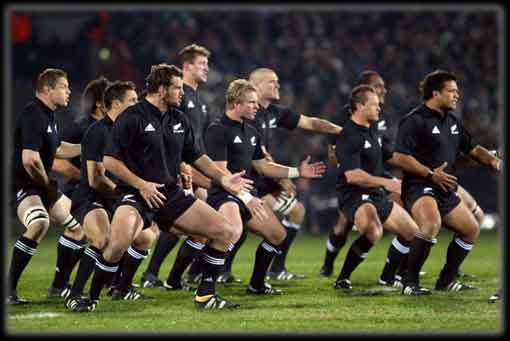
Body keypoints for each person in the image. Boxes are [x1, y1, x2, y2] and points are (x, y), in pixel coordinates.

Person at [81, 64, 257, 311]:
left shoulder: (179, 118)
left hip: (170, 194)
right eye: (177, 88)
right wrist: (141, 186)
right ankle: (91, 298)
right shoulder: (132, 116)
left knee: (225, 232)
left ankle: (206, 296)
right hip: (135, 194)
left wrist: (223, 178)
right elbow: (110, 160)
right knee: (118, 244)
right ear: (162, 90)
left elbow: (197, 157)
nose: (181, 93)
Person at [212, 67, 341, 283]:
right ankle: (210, 275)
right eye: (273, 82)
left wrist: (341, 130)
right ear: (257, 86)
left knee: (292, 215)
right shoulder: (241, 118)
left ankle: (268, 271)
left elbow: (310, 123)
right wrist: (282, 178)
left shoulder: (272, 113)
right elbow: (260, 158)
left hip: (259, 182)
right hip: (244, 184)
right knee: (236, 230)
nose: (278, 85)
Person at [393, 70, 502, 294]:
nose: (456, 95)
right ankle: (409, 283)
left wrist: (495, 163)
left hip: (445, 189)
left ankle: (446, 280)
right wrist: (430, 174)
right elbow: (400, 157)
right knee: (431, 224)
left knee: (471, 228)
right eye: (451, 91)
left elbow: (473, 149)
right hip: (420, 186)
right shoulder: (414, 120)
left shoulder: (452, 121)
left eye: (457, 92)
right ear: (435, 93)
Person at [331, 85, 423, 292]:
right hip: (353, 194)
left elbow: (389, 157)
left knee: (413, 234)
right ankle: (343, 278)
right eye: (374, 105)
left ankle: (388, 277)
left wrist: (421, 169)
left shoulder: (372, 131)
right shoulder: (349, 135)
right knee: (373, 231)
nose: (379, 108)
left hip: (375, 193)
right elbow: (352, 176)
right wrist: (387, 183)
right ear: (360, 106)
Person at [141, 44, 213, 288]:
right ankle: (156, 273)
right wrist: (183, 166)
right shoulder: (178, 99)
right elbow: (170, 135)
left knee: (190, 221)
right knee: (186, 217)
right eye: (201, 64)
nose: (206, 69)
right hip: (177, 170)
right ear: (187, 67)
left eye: (206, 64)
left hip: (194, 166)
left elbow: (196, 140)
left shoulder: (199, 101)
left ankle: (178, 274)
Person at [8, 68, 81, 304]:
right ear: (48, 90)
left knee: (82, 225)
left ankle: (59, 287)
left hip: (42, 187)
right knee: (40, 223)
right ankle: (8, 291)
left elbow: (58, 149)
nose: (68, 91)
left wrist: (88, 145)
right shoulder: (33, 114)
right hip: (24, 186)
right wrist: (46, 185)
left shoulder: (48, 115)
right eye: (63, 86)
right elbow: (29, 160)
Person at [64, 81, 138, 311]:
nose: (137, 105)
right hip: (90, 198)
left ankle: (116, 287)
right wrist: (122, 192)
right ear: (116, 103)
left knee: (136, 239)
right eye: (133, 101)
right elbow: (95, 179)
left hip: (116, 198)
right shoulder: (98, 131)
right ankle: (74, 295)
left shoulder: (129, 131)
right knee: (101, 240)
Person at [48, 76, 110, 298]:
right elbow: (55, 160)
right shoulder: (81, 127)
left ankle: (108, 281)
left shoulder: (109, 127)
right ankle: (60, 284)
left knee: (101, 234)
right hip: (79, 190)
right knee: (79, 230)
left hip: (102, 189)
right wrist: (82, 175)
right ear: (100, 103)